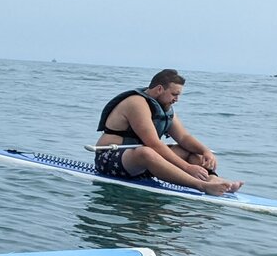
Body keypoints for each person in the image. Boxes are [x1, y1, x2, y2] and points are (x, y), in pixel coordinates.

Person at [94, 68, 243, 195]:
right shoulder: (136, 103)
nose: (176, 99)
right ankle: (201, 185)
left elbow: (184, 137)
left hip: (143, 164)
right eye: (174, 94)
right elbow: (153, 143)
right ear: (159, 89)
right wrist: (187, 168)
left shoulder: (164, 108)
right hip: (110, 160)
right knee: (146, 152)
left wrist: (205, 151)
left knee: (190, 152)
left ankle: (213, 179)